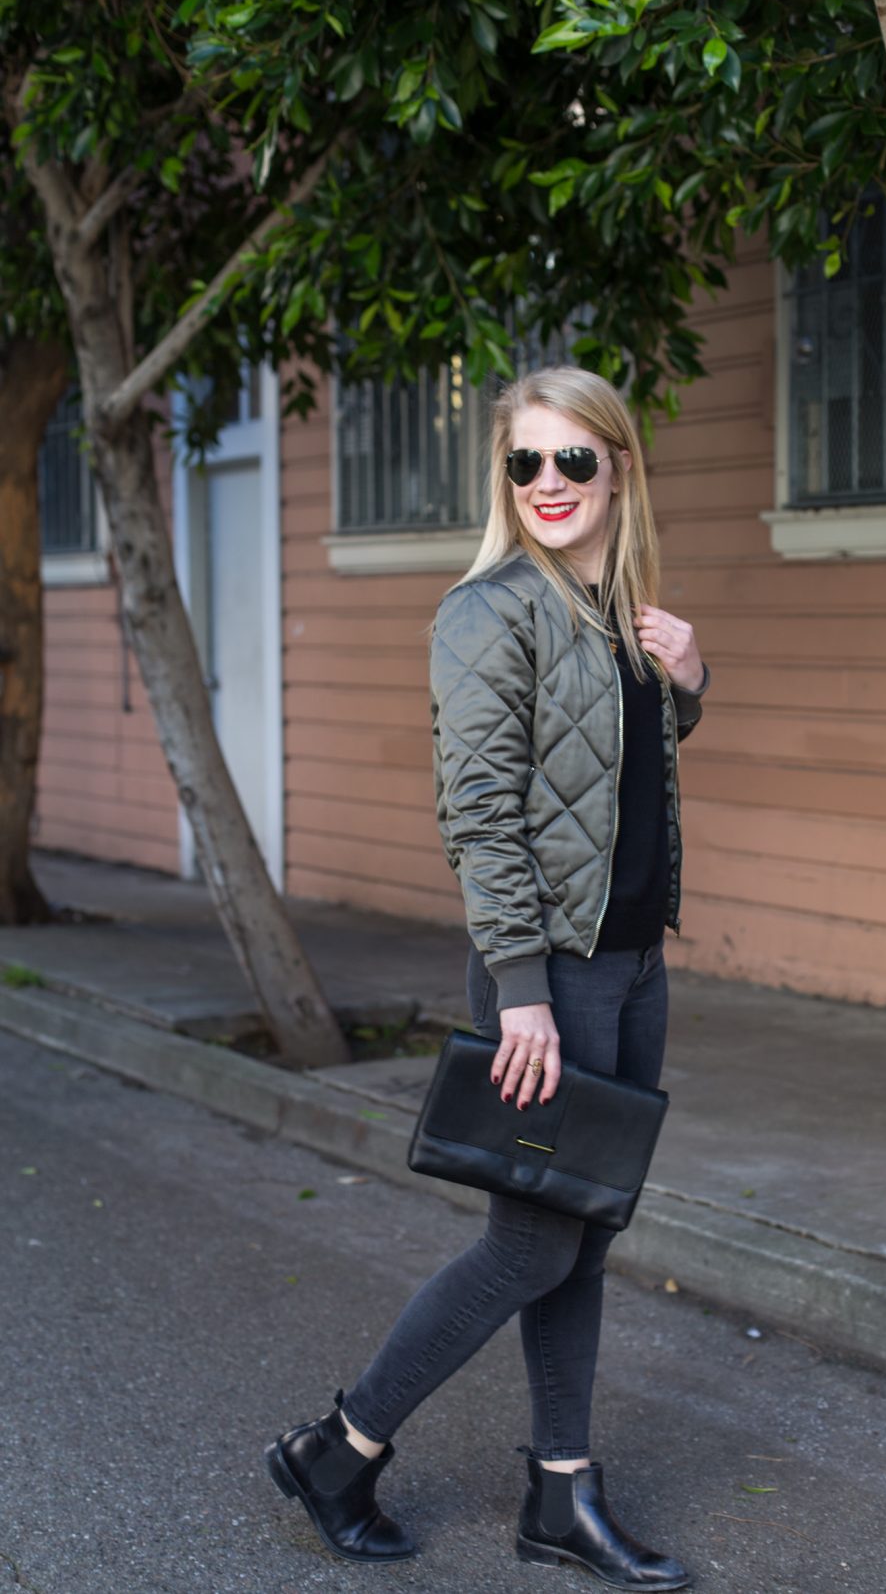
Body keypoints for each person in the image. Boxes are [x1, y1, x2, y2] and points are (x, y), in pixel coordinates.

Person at [264, 366, 708, 1590]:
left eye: (575, 460)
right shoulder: (489, 612)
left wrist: (688, 683)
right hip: (548, 979)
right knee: (528, 1247)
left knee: (584, 1235)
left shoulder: (616, 610)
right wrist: (518, 987)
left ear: (619, 468)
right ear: (504, 479)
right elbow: (481, 815)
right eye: (528, 463)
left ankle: (561, 1497)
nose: (550, 483)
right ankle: (336, 1448)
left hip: (630, 969)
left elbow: (615, 778)